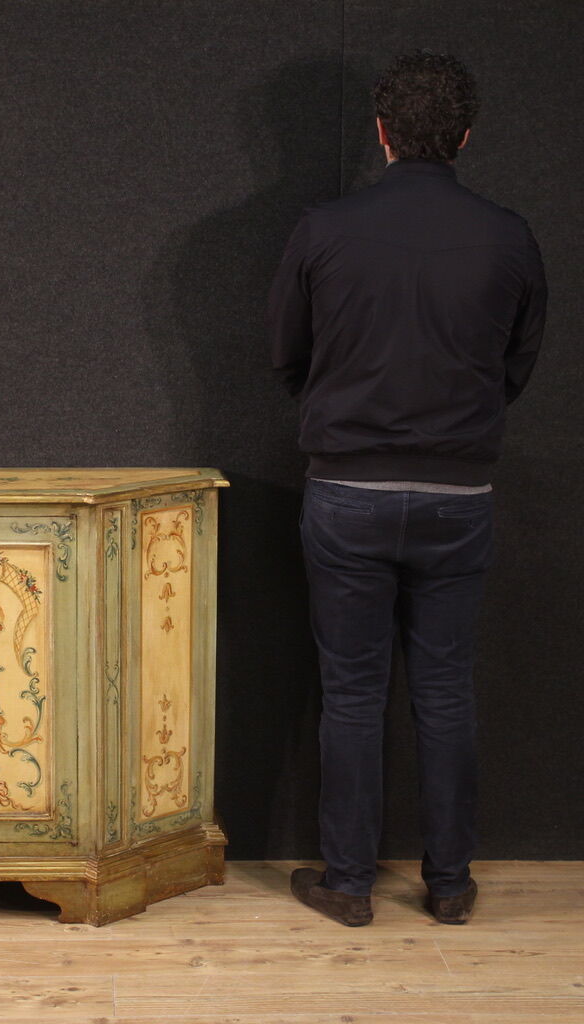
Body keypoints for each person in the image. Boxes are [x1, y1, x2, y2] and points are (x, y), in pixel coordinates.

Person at [268, 50, 547, 927]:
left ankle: (349, 886)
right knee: (446, 690)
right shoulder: (510, 237)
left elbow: (288, 354)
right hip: (458, 498)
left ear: (382, 134)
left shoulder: (324, 230)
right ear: (463, 136)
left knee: (351, 694)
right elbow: (516, 365)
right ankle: (451, 884)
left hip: (346, 491)